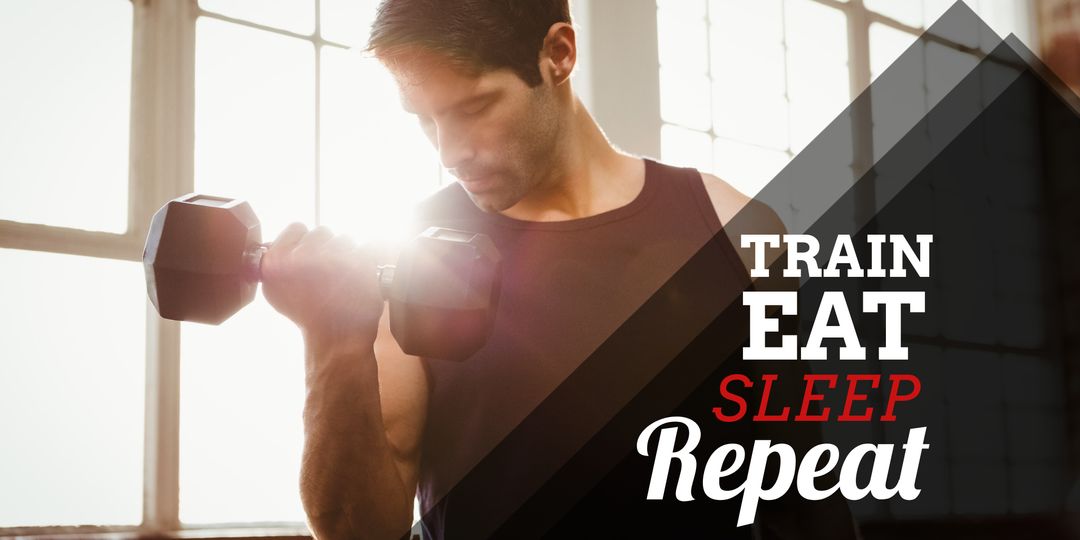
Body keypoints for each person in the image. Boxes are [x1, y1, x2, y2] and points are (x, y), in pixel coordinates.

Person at [259, 1, 854, 538]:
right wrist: (332, 342)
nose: (449, 151)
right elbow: (357, 531)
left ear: (559, 54)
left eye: (474, 106)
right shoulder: (409, 252)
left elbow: (799, 489)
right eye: (424, 118)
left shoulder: (735, 229)